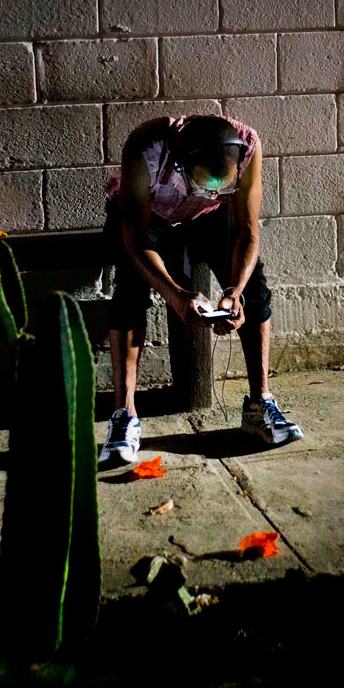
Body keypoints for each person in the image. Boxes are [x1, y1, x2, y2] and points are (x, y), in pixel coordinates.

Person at [98, 114, 303, 466]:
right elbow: (136, 238)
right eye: (204, 182)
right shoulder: (145, 147)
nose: (212, 189)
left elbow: (247, 231)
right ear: (180, 164)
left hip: (207, 216)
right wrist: (177, 295)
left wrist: (234, 290)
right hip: (148, 216)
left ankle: (259, 404)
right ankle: (124, 416)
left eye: (220, 184)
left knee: (254, 289)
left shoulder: (248, 145)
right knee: (130, 291)